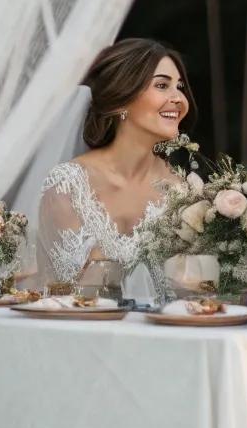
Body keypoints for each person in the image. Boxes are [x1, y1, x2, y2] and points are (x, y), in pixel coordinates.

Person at [36, 38, 195, 293]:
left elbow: (196, 288)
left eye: (180, 87)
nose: (178, 98)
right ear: (121, 99)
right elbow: (73, 291)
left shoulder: (181, 191)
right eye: (162, 85)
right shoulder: (68, 186)